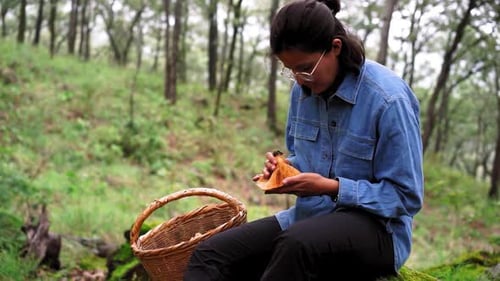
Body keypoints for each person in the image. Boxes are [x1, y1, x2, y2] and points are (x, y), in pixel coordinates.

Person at [184, 0, 423, 280]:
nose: (298, 79)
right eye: (290, 70)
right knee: (210, 255)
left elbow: (406, 197)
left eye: (305, 68)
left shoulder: (387, 99)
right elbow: (303, 157)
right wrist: (284, 171)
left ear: (335, 47)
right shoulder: (303, 91)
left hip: (378, 230)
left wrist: (333, 188)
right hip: (310, 219)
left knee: (296, 246)